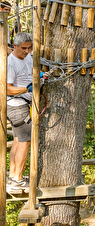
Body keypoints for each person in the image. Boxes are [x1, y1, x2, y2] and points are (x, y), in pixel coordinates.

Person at [6, 32, 34, 191]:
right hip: (16, 105)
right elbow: (8, 89)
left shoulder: (28, 56)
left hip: (23, 102)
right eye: (23, 48)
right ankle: (17, 180)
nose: (27, 51)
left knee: (18, 140)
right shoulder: (11, 63)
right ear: (14, 47)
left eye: (29, 48)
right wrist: (27, 89)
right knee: (25, 141)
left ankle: (13, 177)